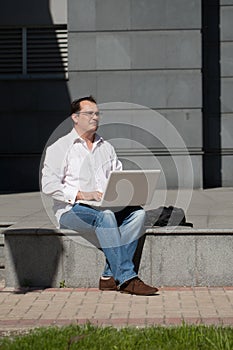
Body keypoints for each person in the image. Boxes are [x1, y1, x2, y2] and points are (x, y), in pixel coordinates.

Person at [41, 95, 158, 295]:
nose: (95, 117)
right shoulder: (60, 147)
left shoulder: (107, 147)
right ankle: (128, 278)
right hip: (71, 210)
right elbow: (48, 184)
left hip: (105, 206)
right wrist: (81, 194)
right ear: (75, 118)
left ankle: (108, 276)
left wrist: (126, 194)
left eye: (97, 114)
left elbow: (118, 177)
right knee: (106, 217)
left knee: (138, 214)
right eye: (89, 113)